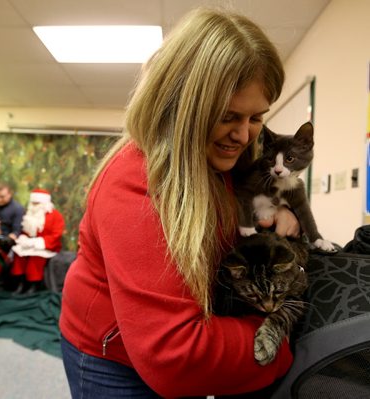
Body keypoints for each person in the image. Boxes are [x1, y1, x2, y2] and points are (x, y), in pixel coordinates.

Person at [59, 7, 301, 398]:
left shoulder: (222, 159)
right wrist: (288, 339)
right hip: (115, 355)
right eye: (227, 116)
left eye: (257, 117)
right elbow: (174, 356)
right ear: (181, 107)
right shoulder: (135, 186)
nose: (243, 136)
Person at [11, 188, 65, 295]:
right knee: (19, 255)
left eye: (37, 203)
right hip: (29, 244)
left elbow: (56, 235)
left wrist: (39, 242)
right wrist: (23, 239)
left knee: (35, 259)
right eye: (33, 203)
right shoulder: (28, 214)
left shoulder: (55, 215)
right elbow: (24, 230)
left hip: (45, 245)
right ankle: (21, 284)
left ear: (45, 203)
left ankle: (33, 285)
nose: (34, 206)